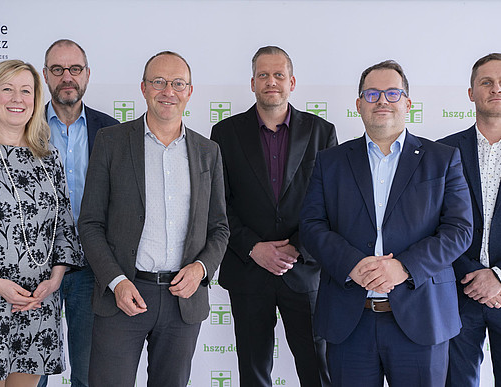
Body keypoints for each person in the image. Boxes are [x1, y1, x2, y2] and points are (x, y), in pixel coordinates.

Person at [300, 60, 473, 387]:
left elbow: (459, 230)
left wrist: (405, 267)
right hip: (349, 321)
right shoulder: (330, 161)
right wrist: (351, 263)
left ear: (407, 103)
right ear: (359, 104)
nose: (382, 100)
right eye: (372, 93)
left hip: (422, 318)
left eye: (393, 93)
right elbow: (311, 225)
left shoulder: (443, 159)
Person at [77, 51, 229, 387]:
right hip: (123, 295)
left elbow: (219, 228)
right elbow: (89, 223)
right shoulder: (111, 142)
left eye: (178, 83)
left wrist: (201, 269)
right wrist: (116, 281)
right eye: (158, 82)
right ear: (143, 88)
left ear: (190, 91)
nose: (168, 91)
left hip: (182, 301)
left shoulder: (208, 152)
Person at [210, 46, 336, 387]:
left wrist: (296, 247)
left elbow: (329, 204)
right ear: (252, 83)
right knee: (253, 372)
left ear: (291, 82)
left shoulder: (321, 133)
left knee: (319, 370)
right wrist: (254, 247)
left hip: (306, 272)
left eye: (279, 75)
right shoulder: (225, 134)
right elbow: (219, 205)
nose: (271, 82)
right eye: (263, 75)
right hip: (249, 271)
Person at [0, 60, 83, 386]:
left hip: (37, 304)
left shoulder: (48, 157)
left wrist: (55, 280)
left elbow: (65, 226)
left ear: (35, 99)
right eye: (8, 89)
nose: (17, 98)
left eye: (26, 90)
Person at [37, 39, 118, 387]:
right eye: (57, 70)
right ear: (45, 75)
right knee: (30, 373)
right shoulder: (24, 128)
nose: (66, 77)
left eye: (74, 69)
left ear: (87, 74)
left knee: (88, 375)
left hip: (91, 268)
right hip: (35, 269)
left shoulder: (112, 131)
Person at [439, 53, 501, 387]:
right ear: (471, 92)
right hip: (458, 293)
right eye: (487, 82)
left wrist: (498, 277)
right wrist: (473, 275)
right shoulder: (442, 152)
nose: (496, 89)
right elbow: (433, 226)